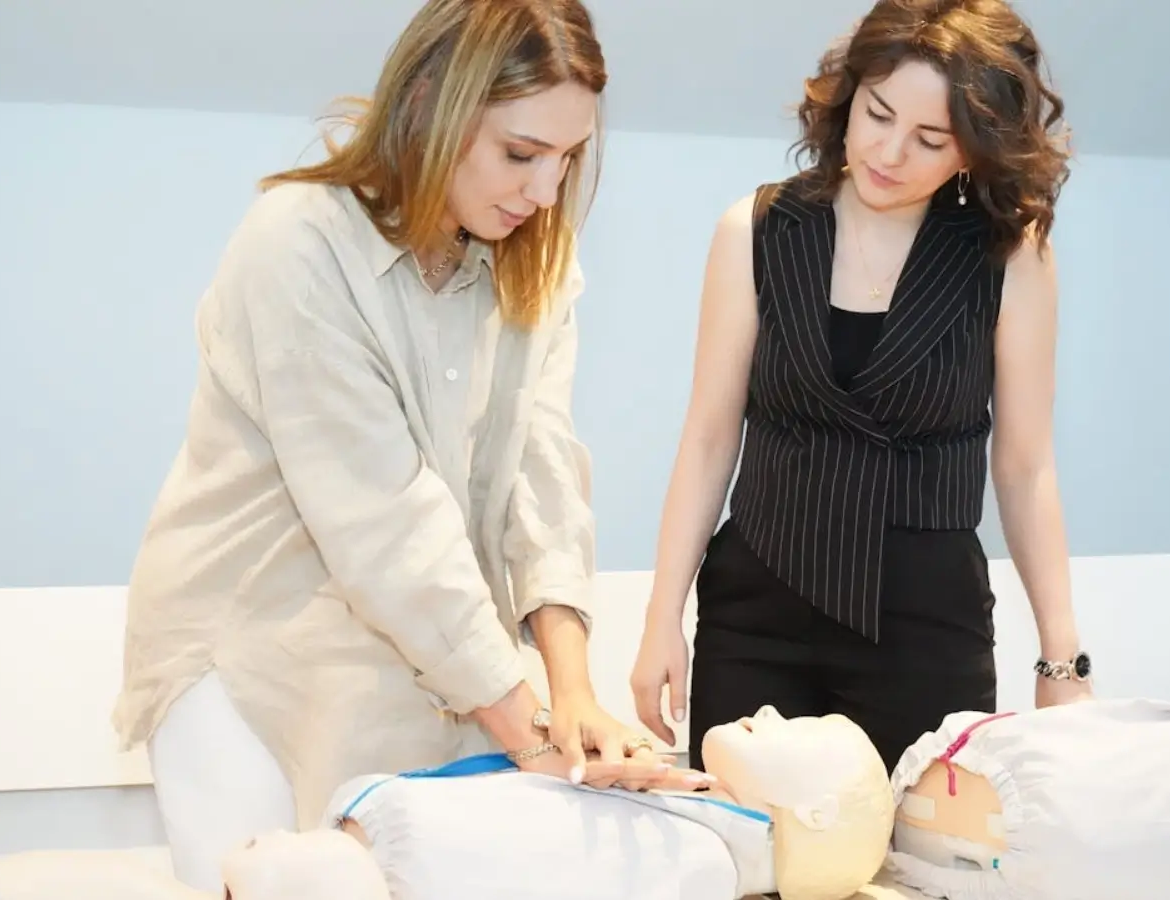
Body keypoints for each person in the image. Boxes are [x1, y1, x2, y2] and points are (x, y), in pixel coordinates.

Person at [110, 0, 677, 890]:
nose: (543, 191)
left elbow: (541, 472)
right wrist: (530, 732)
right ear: (428, 105)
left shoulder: (538, 255)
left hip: (428, 665)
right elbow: (383, 521)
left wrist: (572, 691)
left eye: (567, 161)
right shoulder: (297, 245)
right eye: (521, 154)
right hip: (248, 662)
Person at [630, 0, 1090, 775]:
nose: (889, 151)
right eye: (877, 114)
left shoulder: (1010, 255)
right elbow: (710, 440)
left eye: (930, 139)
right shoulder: (756, 229)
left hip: (927, 627)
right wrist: (660, 617)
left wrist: (1062, 663)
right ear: (849, 94)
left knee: (928, 865)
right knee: (755, 861)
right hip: (757, 615)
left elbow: (1024, 467)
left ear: (973, 152)